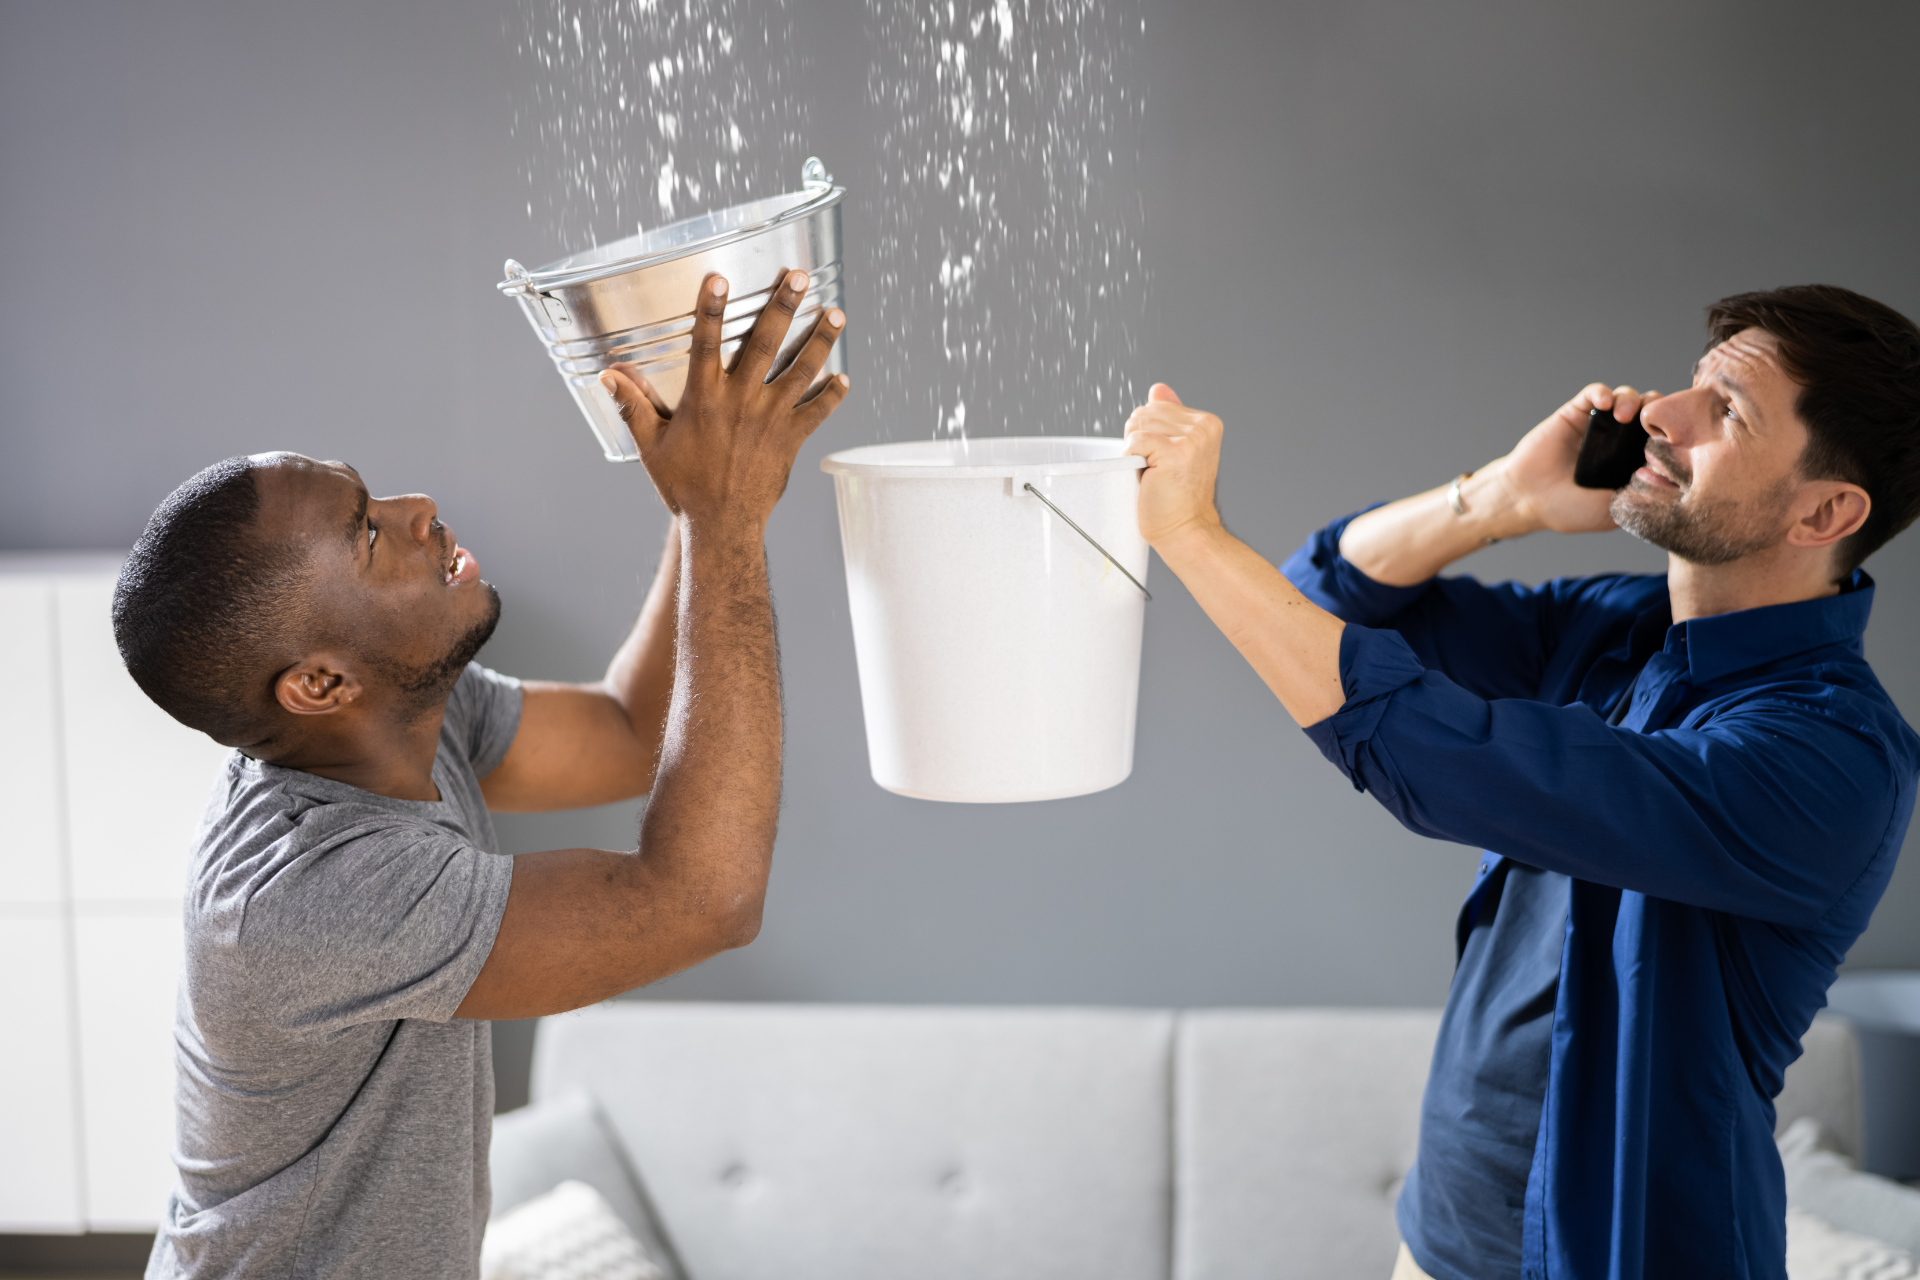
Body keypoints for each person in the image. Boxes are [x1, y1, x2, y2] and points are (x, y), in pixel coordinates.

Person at [1124, 284, 1920, 1280]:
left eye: (1728, 412)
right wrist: (1502, 495)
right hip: (1442, 1242)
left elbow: (1434, 754)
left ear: (1827, 510)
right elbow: (1330, 593)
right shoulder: (1618, 630)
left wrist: (1194, 535)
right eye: (1694, 384)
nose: (1663, 413)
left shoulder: (1830, 756)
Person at [113, 270, 847, 1280]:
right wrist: (730, 524)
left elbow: (630, 730)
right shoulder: (312, 895)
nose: (420, 510)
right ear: (321, 681)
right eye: (367, 529)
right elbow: (706, 897)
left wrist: (694, 506)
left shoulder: (409, 711)